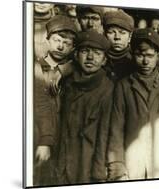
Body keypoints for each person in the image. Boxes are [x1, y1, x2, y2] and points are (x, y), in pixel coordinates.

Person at [107, 28, 159, 180]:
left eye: (150, 55)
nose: (145, 61)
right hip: (132, 162)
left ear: (158, 56)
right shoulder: (123, 86)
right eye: (140, 55)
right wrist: (117, 167)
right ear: (133, 54)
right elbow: (116, 129)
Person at [56, 30, 113, 184]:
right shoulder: (67, 84)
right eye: (85, 51)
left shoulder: (108, 89)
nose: (90, 57)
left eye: (97, 53)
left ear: (104, 60)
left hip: (87, 163)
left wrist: (99, 172)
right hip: (62, 159)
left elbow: (104, 134)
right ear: (76, 55)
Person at [34, 15, 77, 186]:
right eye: (57, 40)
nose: (60, 46)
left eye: (67, 44)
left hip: (66, 133)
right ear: (47, 40)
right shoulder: (37, 67)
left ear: (73, 47)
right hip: (41, 132)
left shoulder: (74, 69)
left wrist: (64, 69)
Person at [103, 10, 136, 81]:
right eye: (111, 32)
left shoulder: (135, 61)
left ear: (130, 37)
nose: (117, 37)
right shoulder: (98, 59)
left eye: (122, 33)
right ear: (105, 35)